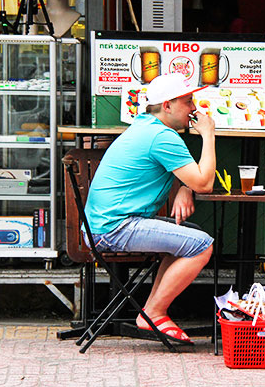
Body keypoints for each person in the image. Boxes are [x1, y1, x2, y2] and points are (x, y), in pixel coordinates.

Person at [84, 73, 216, 345]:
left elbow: (189, 179)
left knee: (186, 236)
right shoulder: (161, 136)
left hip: (106, 224)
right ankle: (154, 312)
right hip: (115, 228)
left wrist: (184, 187)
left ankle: (153, 312)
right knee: (202, 245)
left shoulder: (146, 127)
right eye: (188, 101)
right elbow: (205, 182)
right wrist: (209, 134)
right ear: (167, 105)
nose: (194, 108)